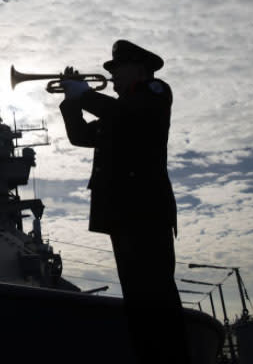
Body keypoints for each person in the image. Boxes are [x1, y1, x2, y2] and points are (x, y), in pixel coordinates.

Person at [59, 39, 189, 364]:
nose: (112, 75)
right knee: (139, 304)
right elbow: (81, 137)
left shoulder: (155, 93)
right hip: (121, 214)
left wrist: (83, 93)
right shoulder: (119, 110)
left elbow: (126, 113)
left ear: (139, 69)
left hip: (145, 211)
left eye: (117, 69)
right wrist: (71, 100)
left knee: (157, 300)